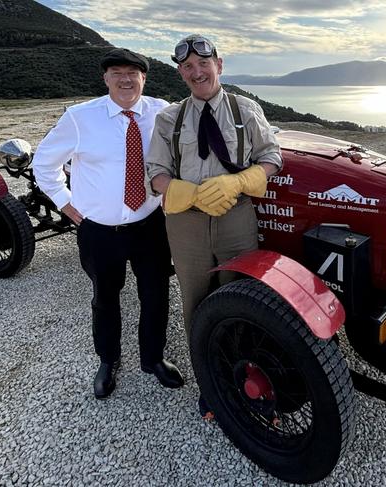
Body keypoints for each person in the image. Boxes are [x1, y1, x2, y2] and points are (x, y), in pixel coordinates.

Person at [32, 48, 184, 399]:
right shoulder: (80, 117)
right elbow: (44, 163)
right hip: (99, 231)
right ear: (106, 78)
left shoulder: (161, 111)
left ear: (144, 78)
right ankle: (108, 361)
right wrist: (67, 205)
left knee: (156, 294)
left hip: (149, 225)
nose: (126, 79)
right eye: (117, 72)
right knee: (105, 297)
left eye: (134, 73)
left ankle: (153, 358)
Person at [145, 35, 282, 414]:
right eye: (187, 67)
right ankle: (212, 382)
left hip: (236, 217)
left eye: (203, 64)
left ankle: (246, 374)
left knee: (242, 299)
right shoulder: (168, 118)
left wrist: (238, 181)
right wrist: (186, 192)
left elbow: (271, 156)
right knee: (196, 302)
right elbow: (155, 173)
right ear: (180, 74)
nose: (196, 71)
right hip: (186, 224)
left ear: (219, 65)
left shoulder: (245, 108)